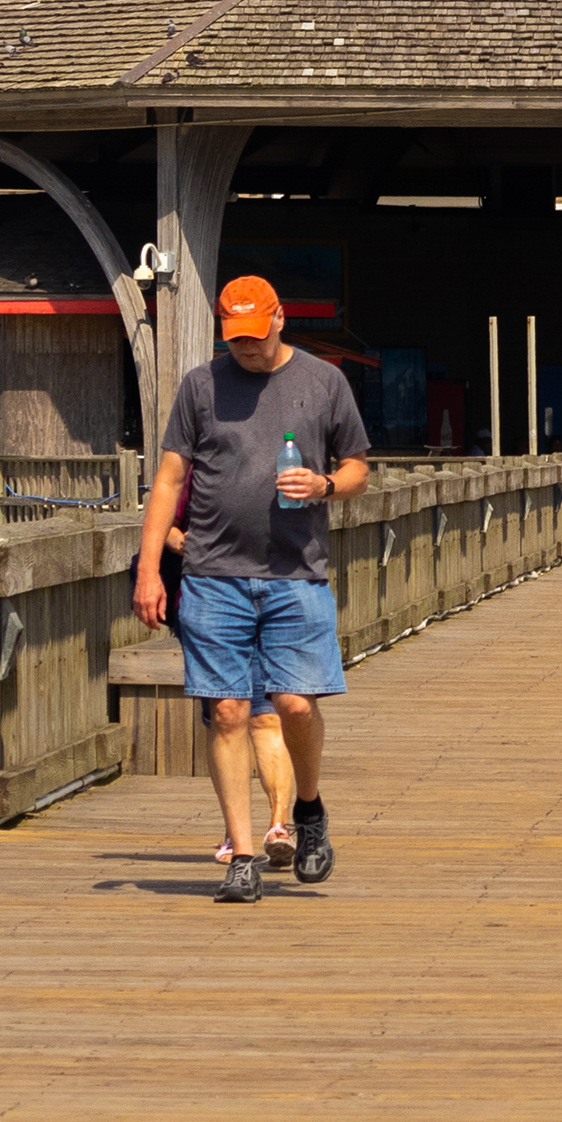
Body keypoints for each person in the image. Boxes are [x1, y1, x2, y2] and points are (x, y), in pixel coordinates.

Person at [133, 273, 372, 903]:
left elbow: (359, 469)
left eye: (254, 335)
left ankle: (311, 812)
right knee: (229, 711)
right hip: (213, 576)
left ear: (279, 319)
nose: (246, 348)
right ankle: (242, 853)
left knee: (294, 705)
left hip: (297, 573)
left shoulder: (323, 382)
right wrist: (150, 567)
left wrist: (324, 486)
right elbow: (167, 480)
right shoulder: (200, 386)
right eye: (233, 337)